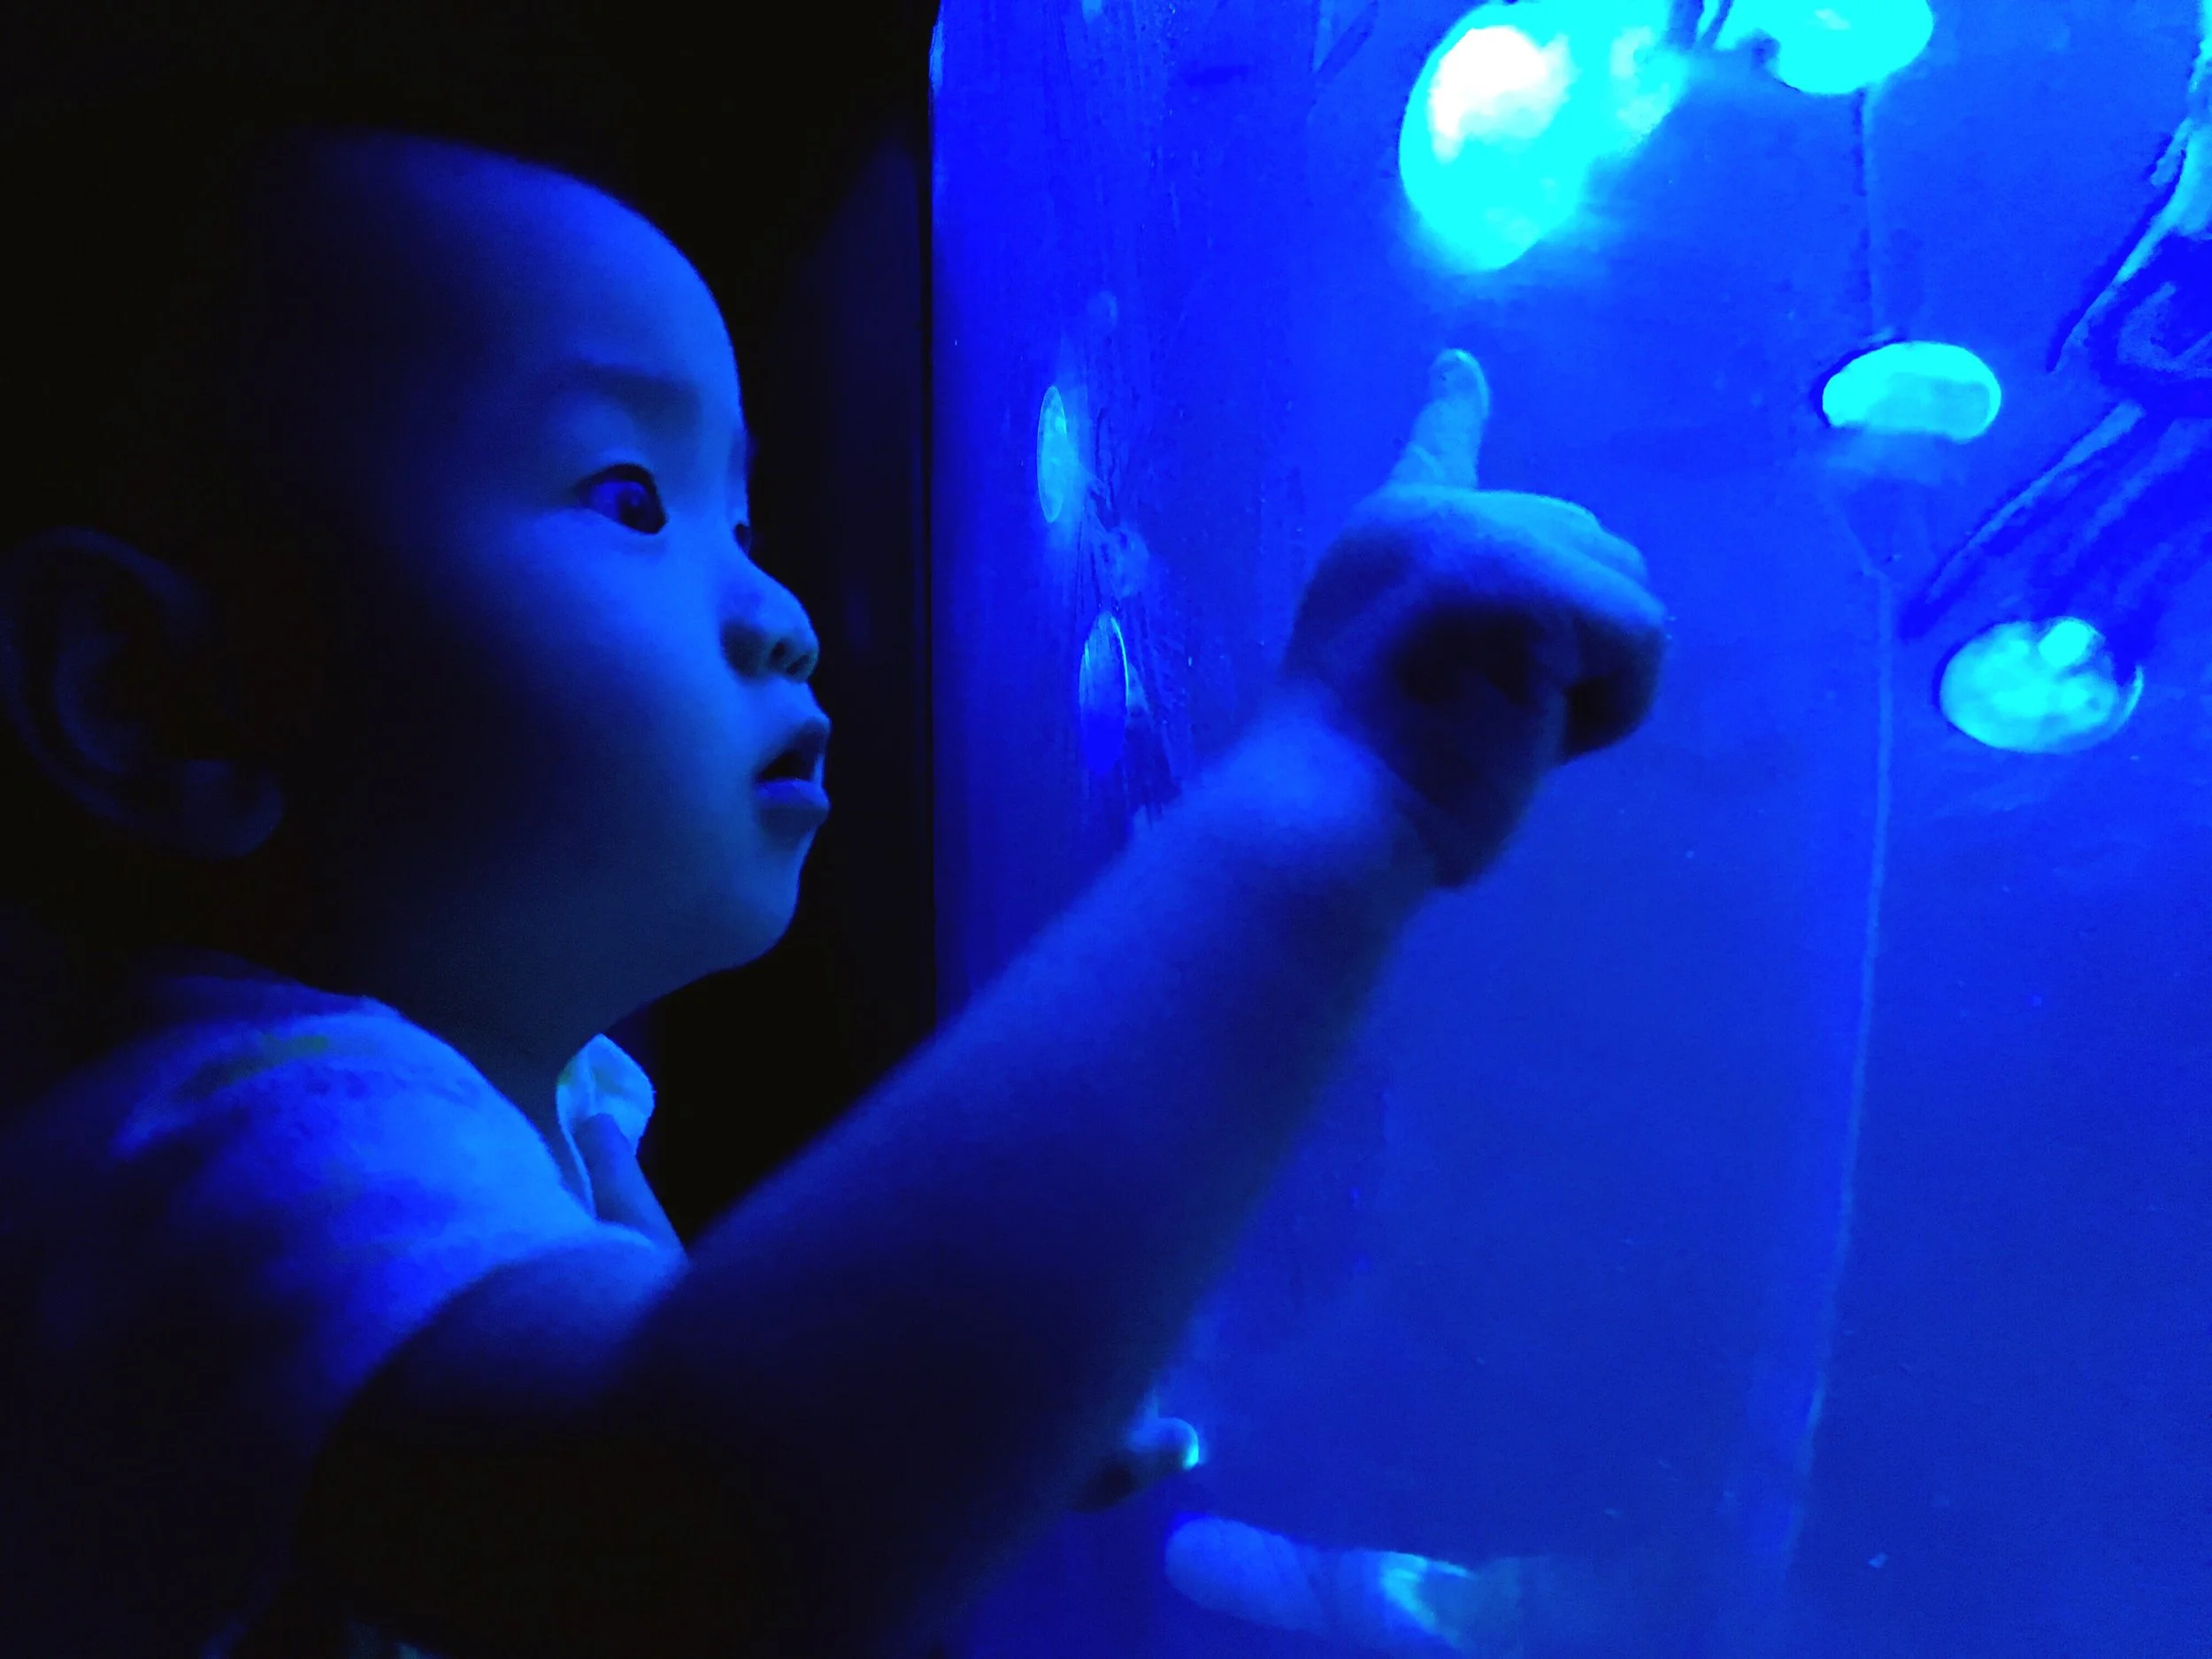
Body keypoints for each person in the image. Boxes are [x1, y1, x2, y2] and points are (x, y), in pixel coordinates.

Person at [0, 88, 1666, 1659]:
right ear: (149, 704)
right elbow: (705, 1521)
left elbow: (730, 1422)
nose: (780, 609)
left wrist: (950, 1391)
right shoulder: (226, 1147)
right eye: (630, 496)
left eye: (744, 518)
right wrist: (1348, 774)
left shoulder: (561, 1101)